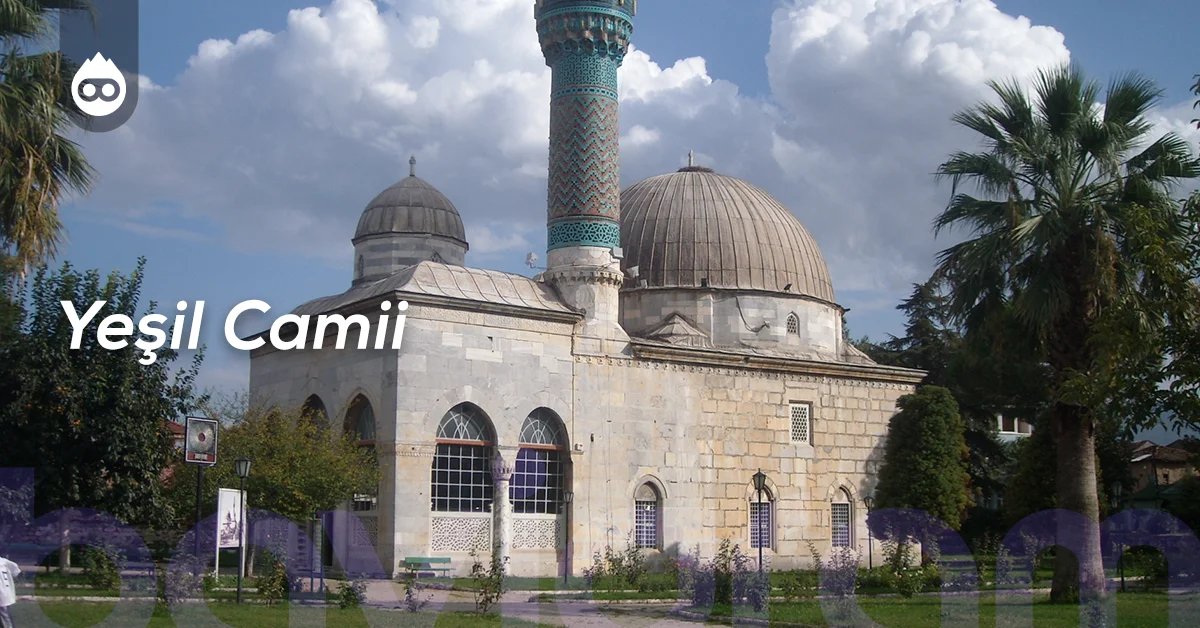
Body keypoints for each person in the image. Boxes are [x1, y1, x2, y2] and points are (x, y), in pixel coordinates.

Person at [0, 552, 18, 628]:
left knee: (4, 617)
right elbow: (16, 571)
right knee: (5, 616)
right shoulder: (4, 561)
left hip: (2, 594)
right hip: (6, 593)